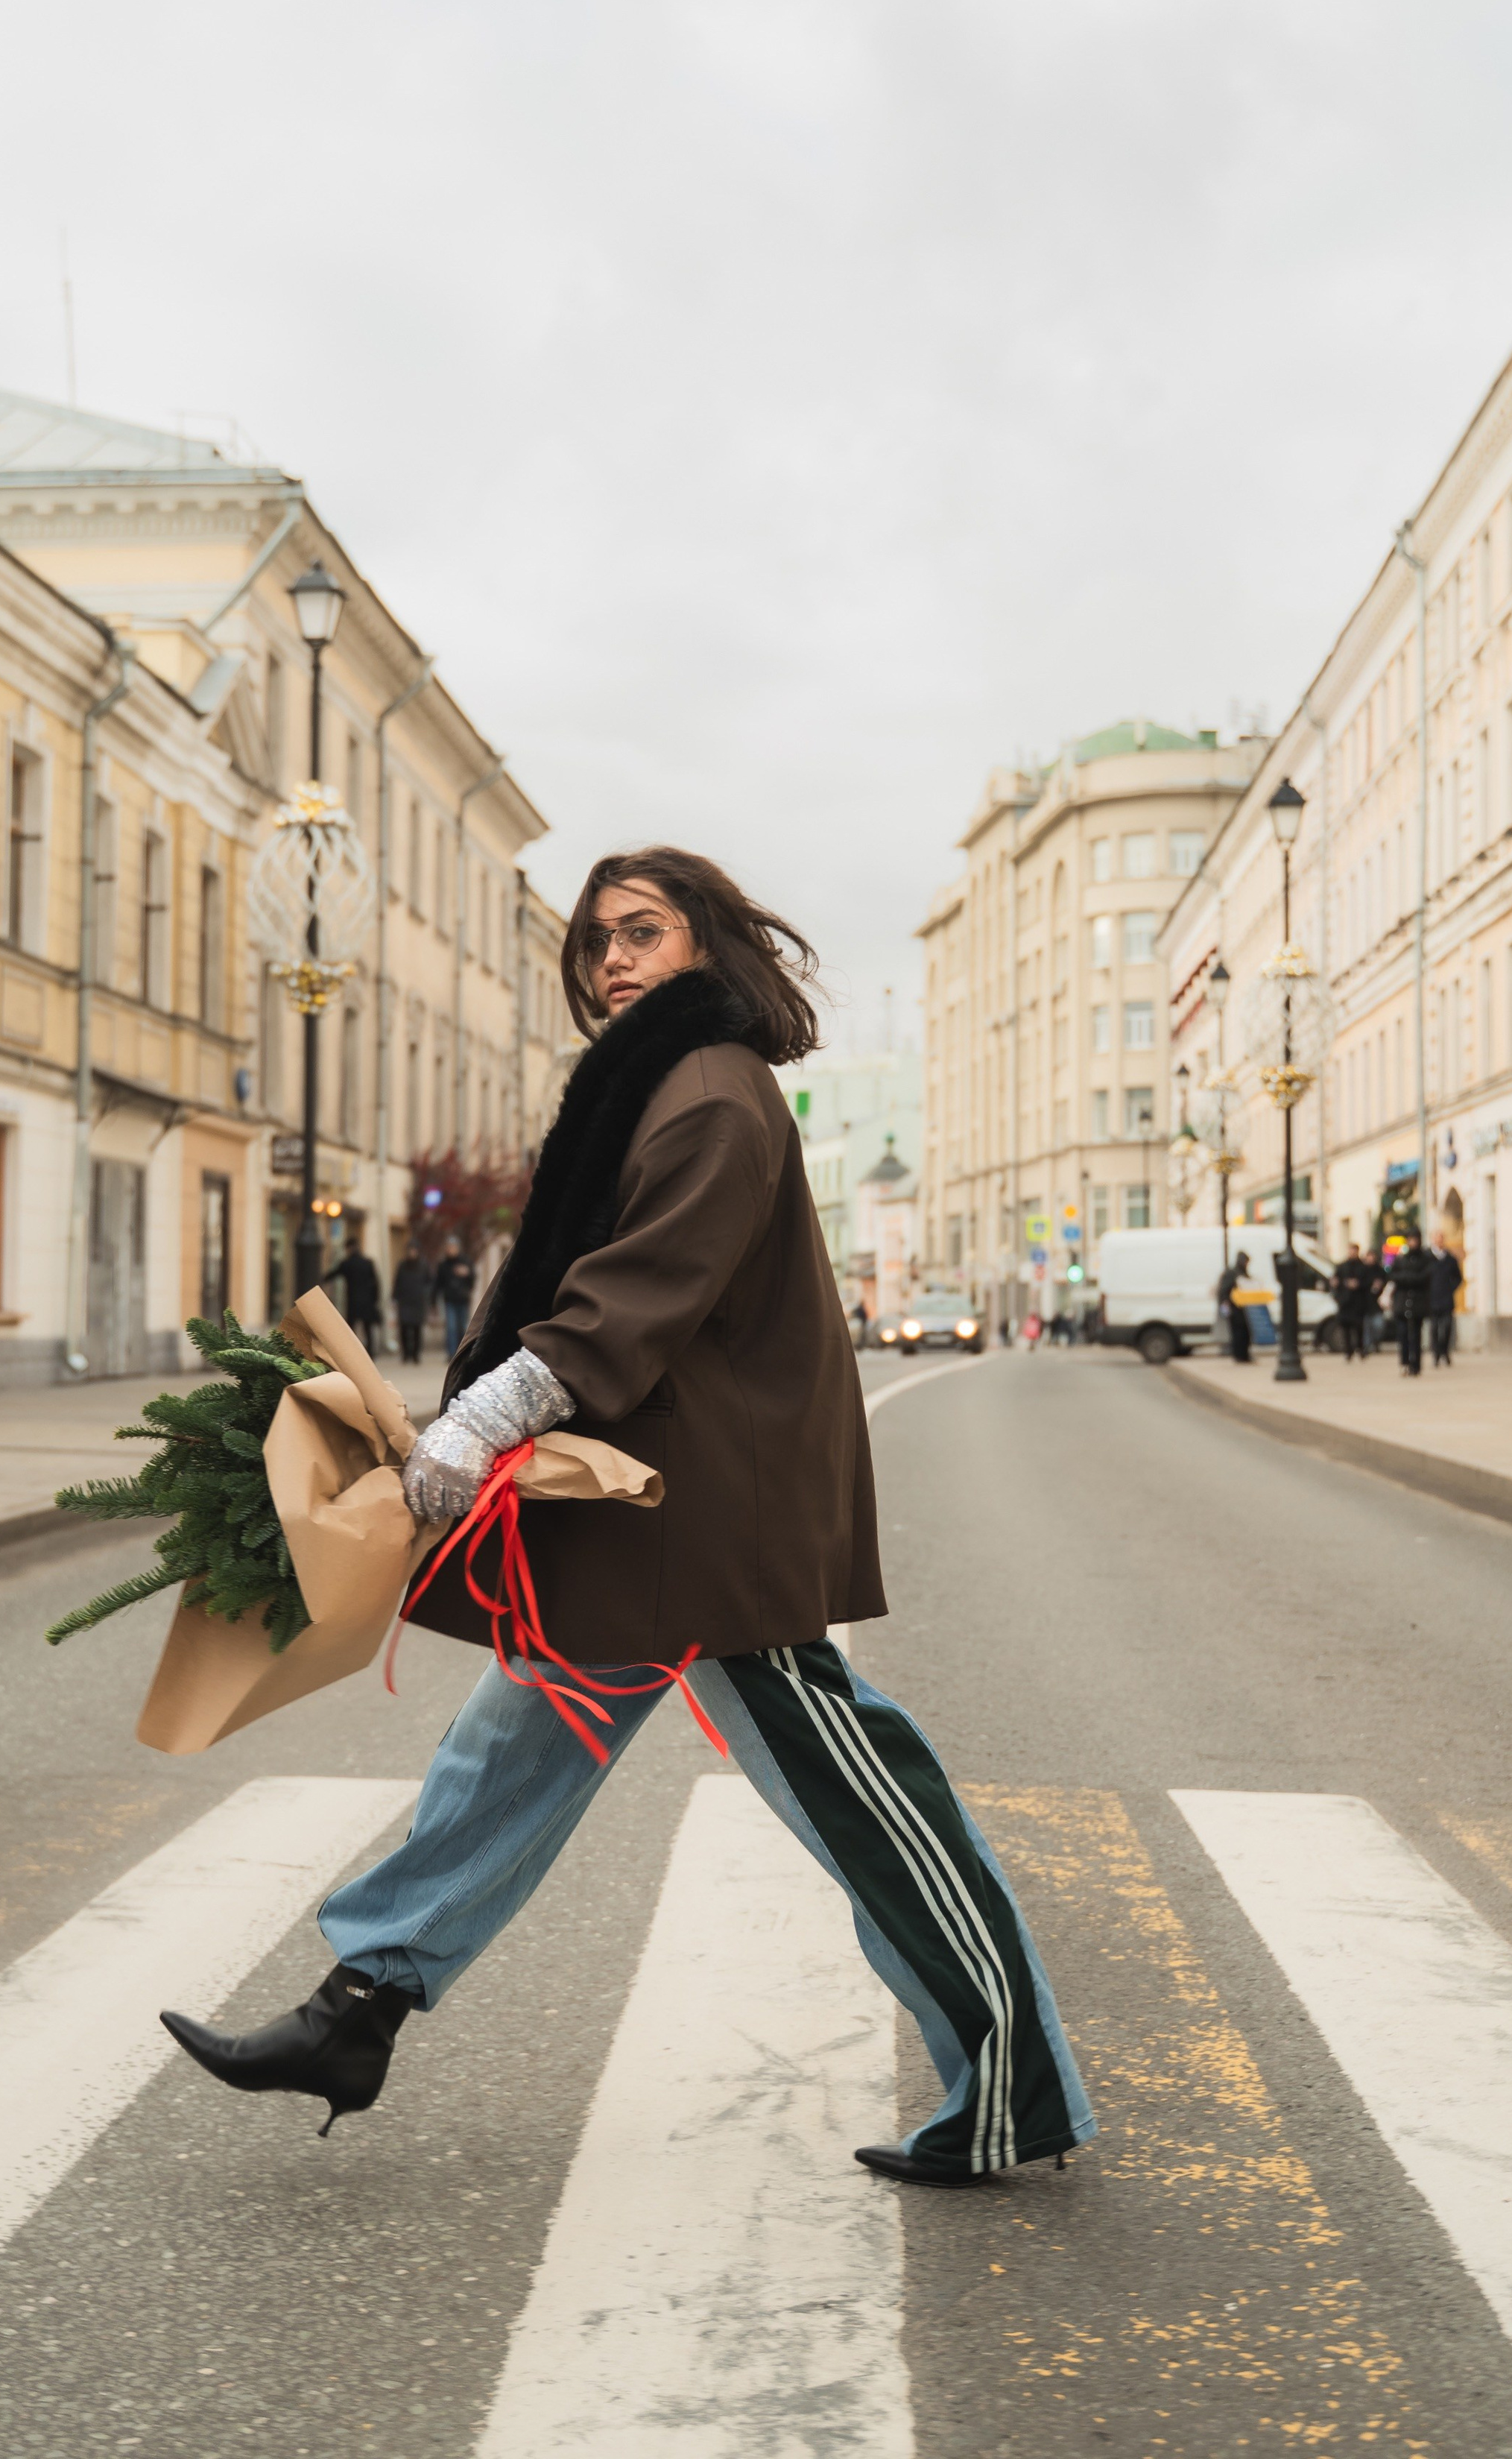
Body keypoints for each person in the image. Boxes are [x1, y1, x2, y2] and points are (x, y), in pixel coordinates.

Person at [162, 845, 1095, 2188]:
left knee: (862, 1798)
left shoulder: (712, 1094)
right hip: (639, 1510)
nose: (611, 958)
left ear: (707, 946)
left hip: (710, 1529)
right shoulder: (652, 1086)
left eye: (642, 932)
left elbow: (634, 1295)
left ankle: (1015, 2084)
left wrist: (487, 1418)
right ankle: (355, 2012)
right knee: (506, 1755)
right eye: (596, 939)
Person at [327, 1234, 382, 1354]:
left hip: (353, 1301)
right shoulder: (368, 1263)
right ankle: (370, 1353)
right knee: (368, 1329)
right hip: (367, 1302)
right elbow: (376, 1283)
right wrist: (375, 1300)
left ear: (349, 1248)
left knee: (351, 1330)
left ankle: (352, 1353)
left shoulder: (347, 1264)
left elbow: (332, 1274)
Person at [1385, 1236, 1431, 1375]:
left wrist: (1409, 1278)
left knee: (1416, 1335)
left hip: (1418, 1303)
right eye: (1410, 1240)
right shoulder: (1401, 1259)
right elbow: (1393, 1275)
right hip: (1402, 1303)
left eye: (1415, 1240)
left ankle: (1416, 1364)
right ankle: (1404, 1362)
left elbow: (1425, 1277)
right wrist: (1409, 1278)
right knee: (1403, 1334)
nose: (1413, 1243)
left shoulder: (1425, 1259)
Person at [1331, 1243, 1379, 1361]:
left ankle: (1361, 1349)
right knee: (1345, 1328)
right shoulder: (1342, 1267)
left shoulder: (1363, 1267)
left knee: (1359, 1328)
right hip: (1345, 1302)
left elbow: (1369, 1283)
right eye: (1350, 1250)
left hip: (1358, 1302)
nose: (1352, 1253)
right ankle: (1348, 1351)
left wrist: (1358, 1284)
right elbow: (1335, 1282)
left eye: (1354, 1251)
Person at [434, 1236, 476, 1361]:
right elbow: (438, 1283)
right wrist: (433, 1302)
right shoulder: (443, 1265)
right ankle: (451, 1354)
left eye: (453, 1247)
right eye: (449, 1247)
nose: (451, 1250)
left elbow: (472, 1279)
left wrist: (467, 1274)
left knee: (463, 1327)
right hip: (450, 1300)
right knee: (451, 1327)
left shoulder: (465, 1262)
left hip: (463, 1299)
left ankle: (462, 1352)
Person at [390, 1249, 431, 1366]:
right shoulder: (402, 1266)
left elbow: (429, 1282)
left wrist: (425, 1294)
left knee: (417, 1329)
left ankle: (415, 1354)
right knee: (404, 1328)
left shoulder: (423, 1266)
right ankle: (405, 1354)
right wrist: (395, 1297)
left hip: (418, 1302)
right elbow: (397, 1282)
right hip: (405, 1301)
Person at [1429, 1242, 1464, 1369]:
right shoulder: (1428, 1258)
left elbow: (1459, 1278)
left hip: (1447, 1299)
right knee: (1434, 1329)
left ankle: (1445, 1351)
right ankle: (1436, 1354)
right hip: (1432, 1299)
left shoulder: (1450, 1259)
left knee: (1447, 1326)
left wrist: (1450, 1289)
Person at [1217, 1251, 1252, 1363]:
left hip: (1244, 1307)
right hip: (1235, 1308)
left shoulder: (1239, 1272)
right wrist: (1225, 1307)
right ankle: (1239, 1355)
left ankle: (1244, 1355)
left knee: (1244, 1332)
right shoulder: (1233, 1273)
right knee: (1238, 1333)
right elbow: (1224, 1292)